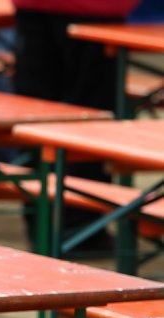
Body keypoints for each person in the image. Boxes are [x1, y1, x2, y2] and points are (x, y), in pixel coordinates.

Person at [11, 0, 140, 255]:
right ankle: (82, 229)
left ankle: (42, 223)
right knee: (90, 120)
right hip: (93, 11)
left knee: (36, 117)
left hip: (39, 8)